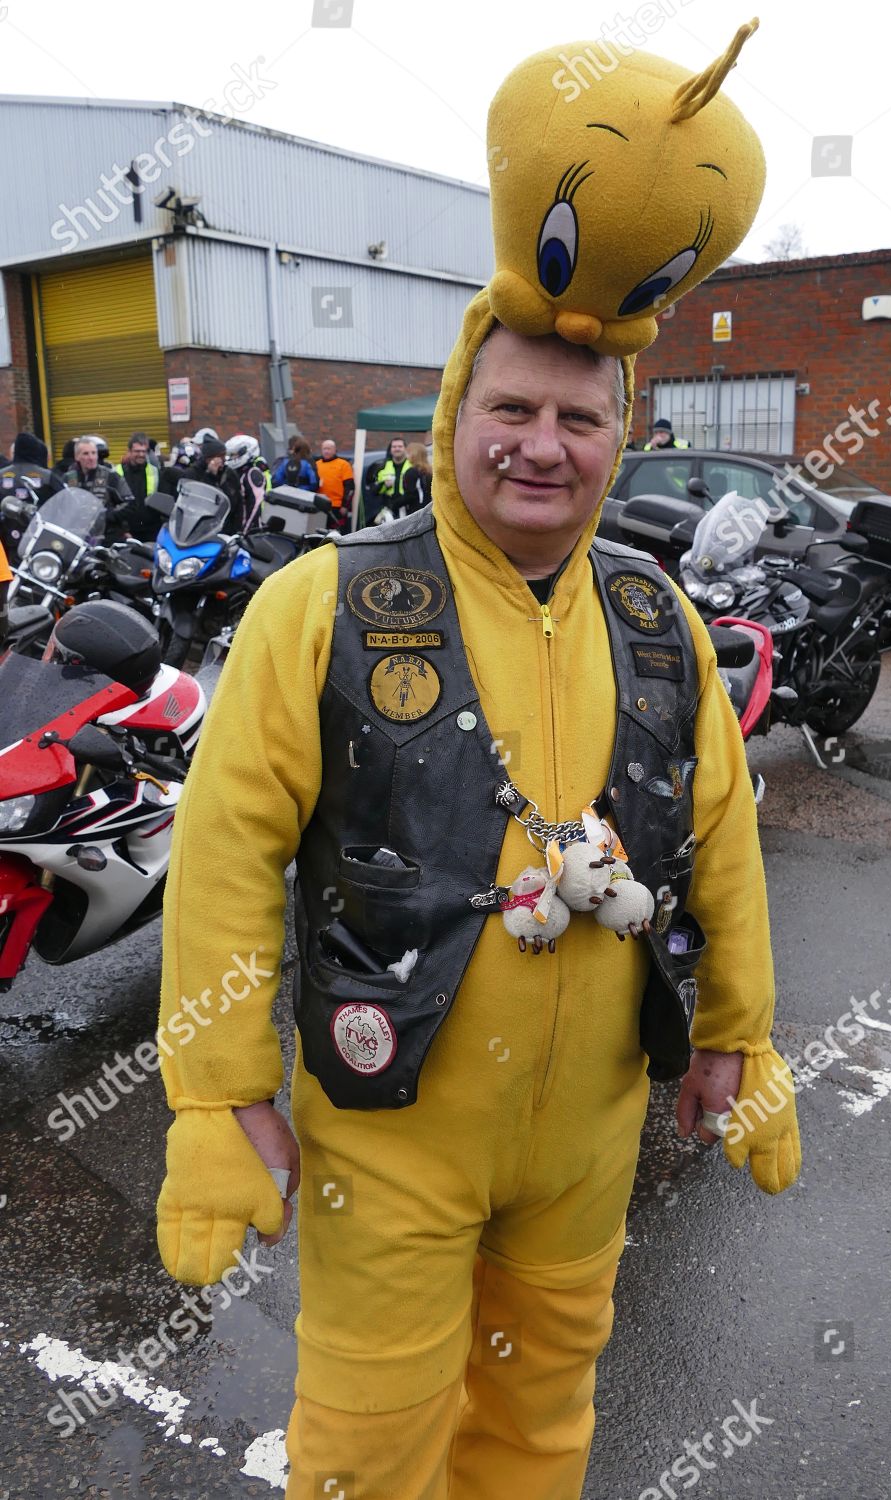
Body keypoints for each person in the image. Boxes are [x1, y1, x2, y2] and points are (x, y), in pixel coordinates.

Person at [155, 27, 797, 1499]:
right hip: (390, 1134)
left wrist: (736, 1036)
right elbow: (231, 852)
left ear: (617, 441)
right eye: (512, 411)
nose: (542, 445)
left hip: (588, 1145)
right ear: (456, 419)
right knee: (368, 1448)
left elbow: (721, 840)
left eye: (579, 420)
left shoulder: (661, 621)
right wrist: (212, 1089)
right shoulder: (317, 605)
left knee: (538, 1428)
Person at [64, 437, 134, 540]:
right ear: (77, 457)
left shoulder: (111, 476)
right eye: (86, 454)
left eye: (93, 453)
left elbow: (130, 503)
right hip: (76, 536)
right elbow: (60, 506)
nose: (91, 457)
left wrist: (109, 515)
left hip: (106, 536)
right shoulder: (68, 478)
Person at [111, 432, 163, 541]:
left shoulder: (154, 471)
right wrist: (122, 531)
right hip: (127, 532)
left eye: (144, 451)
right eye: (137, 451)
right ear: (129, 451)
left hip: (151, 531)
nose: (141, 454)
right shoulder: (116, 472)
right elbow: (113, 505)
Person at [0, 432, 66, 501]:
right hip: (41, 511)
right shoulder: (48, 476)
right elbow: (65, 498)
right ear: (36, 449)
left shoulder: (1, 474)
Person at [314, 439, 354, 531]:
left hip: (336, 506)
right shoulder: (317, 464)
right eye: (324, 449)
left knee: (334, 532)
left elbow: (350, 487)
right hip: (319, 505)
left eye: (329, 449)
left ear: (335, 450)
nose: (326, 451)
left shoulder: (343, 465)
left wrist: (345, 506)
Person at [371, 434, 412, 517]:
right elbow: (374, 490)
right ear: (390, 450)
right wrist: (384, 485)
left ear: (405, 449)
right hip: (389, 507)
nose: (397, 449)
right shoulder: (382, 467)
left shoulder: (412, 465)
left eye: (400, 446)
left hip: (408, 507)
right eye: (394, 447)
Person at [400, 440, 432, 514]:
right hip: (428, 509)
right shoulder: (430, 471)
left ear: (414, 454)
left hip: (416, 511)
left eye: (408, 453)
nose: (406, 455)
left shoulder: (411, 472)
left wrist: (394, 504)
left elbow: (410, 495)